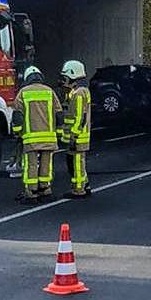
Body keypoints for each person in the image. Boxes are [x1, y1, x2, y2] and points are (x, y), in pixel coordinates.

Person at [12, 66, 63, 205]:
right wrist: (59, 133)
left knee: (31, 166)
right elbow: (59, 114)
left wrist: (17, 133)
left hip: (31, 138)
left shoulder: (23, 93)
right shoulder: (50, 92)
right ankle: (45, 190)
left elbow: (17, 116)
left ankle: (31, 193)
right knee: (46, 164)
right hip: (49, 137)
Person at [60, 60, 92, 198]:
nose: (63, 80)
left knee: (77, 163)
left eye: (65, 77)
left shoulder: (79, 94)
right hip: (77, 135)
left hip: (78, 137)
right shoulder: (77, 92)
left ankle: (79, 190)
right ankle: (85, 184)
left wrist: (73, 135)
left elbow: (80, 117)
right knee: (76, 162)